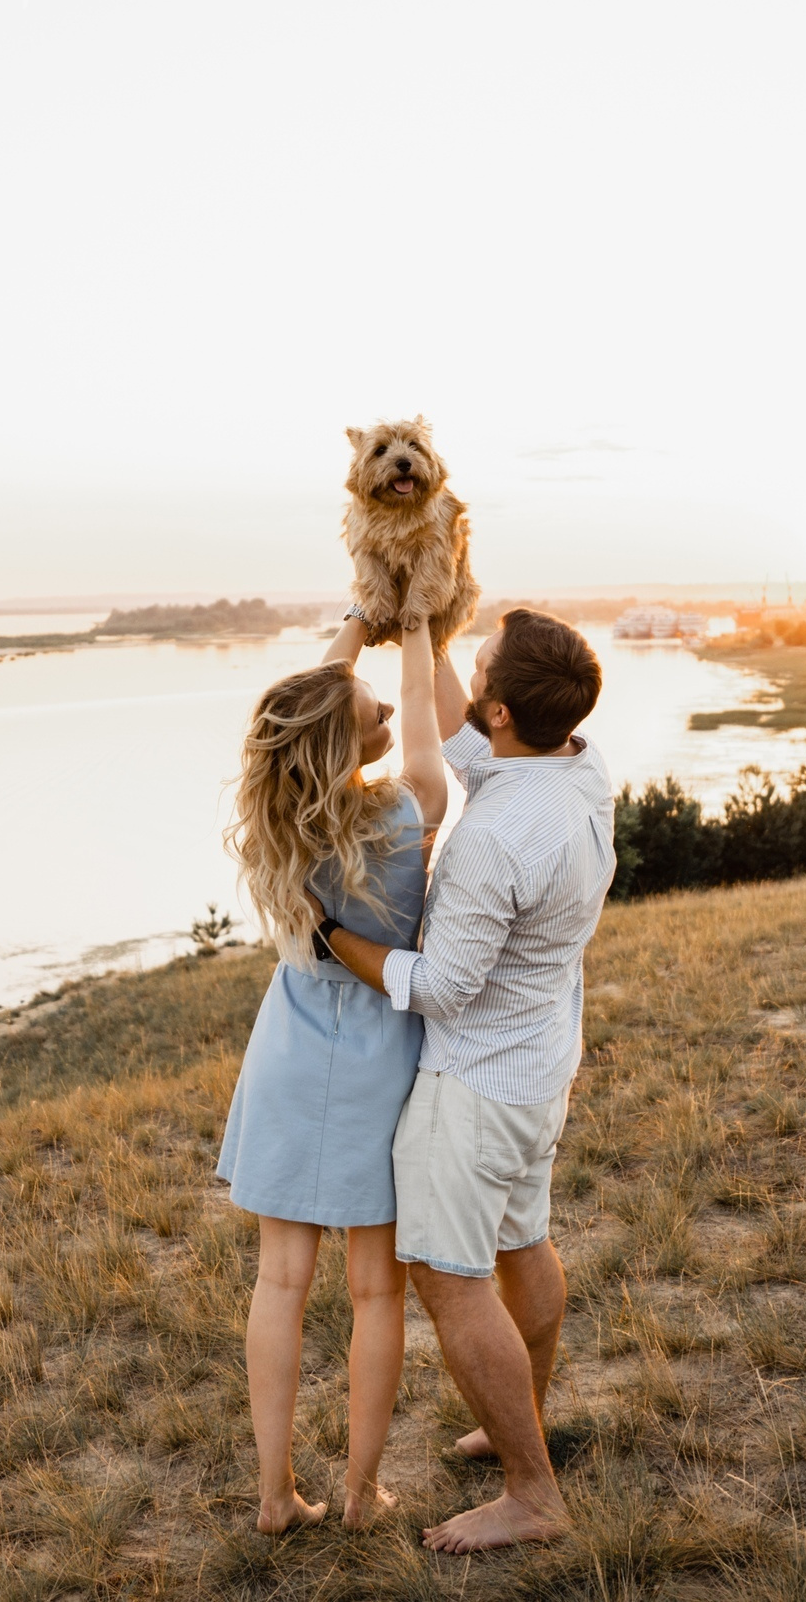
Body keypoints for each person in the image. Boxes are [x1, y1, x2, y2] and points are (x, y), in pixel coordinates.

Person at [314, 608, 613, 1555]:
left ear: (501, 711)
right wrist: (429, 635)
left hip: (475, 1085)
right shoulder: (576, 766)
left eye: (476, 673)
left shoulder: (491, 841)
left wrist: (336, 939)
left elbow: (438, 986)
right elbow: (458, 736)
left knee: (450, 1276)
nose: (465, 681)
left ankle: (531, 1491)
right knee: (525, 1239)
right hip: (538, 1071)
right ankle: (515, 1416)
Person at [216, 609, 450, 1534]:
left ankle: (274, 1497)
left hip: (288, 1047)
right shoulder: (403, 812)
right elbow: (427, 715)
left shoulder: (280, 822)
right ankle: (358, 1493)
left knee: (279, 1281)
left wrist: (355, 627)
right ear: (342, 741)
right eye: (369, 709)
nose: (388, 704)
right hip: (373, 1060)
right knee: (374, 1290)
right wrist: (420, 627)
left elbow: (314, 712)